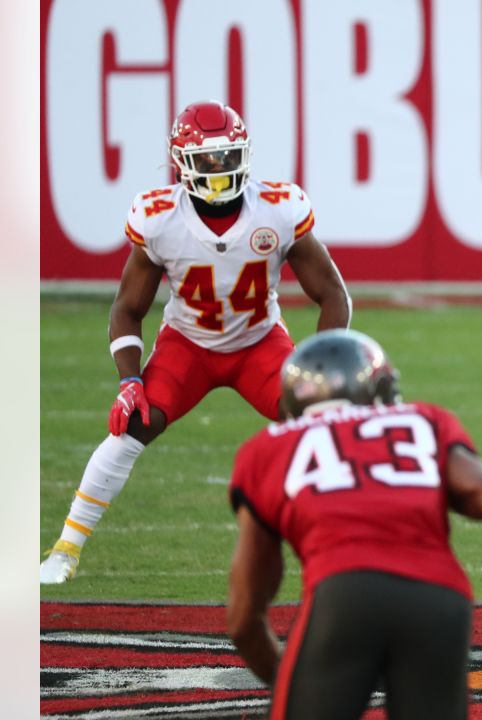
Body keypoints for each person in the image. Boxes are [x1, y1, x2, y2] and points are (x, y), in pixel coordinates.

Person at [40, 101, 352, 584]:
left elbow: (332, 295)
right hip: (188, 346)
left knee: (322, 422)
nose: (220, 168)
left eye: (229, 156)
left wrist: (320, 366)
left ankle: (347, 548)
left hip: (259, 344)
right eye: (208, 159)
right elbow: (127, 308)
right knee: (132, 426)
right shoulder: (159, 217)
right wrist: (128, 380)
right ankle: (66, 547)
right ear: (183, 162)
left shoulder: (279, 208)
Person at [225, 329, 482, 719]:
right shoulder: (423, 420)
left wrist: (296, 688)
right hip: (440, 599)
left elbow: (244, 617)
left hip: (346, 593)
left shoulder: (268, 448)